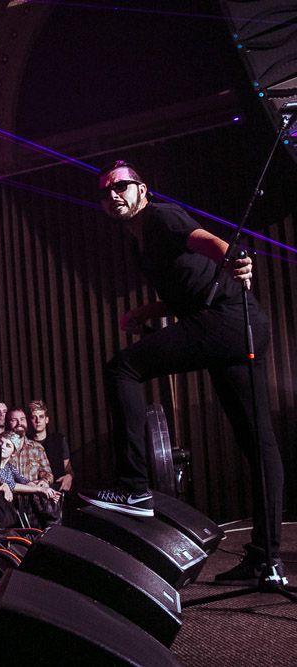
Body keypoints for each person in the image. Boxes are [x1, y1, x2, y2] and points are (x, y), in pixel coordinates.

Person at [82, 160, 284, 586]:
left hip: (225, 321)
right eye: (105, 192)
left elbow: (206, 240)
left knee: (123, 369)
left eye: (121, 186)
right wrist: (144, 311)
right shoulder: (142, 244)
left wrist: (234, 257)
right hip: (238, 326)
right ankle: (266, 559)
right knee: (257, 443)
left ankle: (133, 487)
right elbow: (187, 291)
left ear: (143, 189)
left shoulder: (161, 216)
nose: (113, 195)